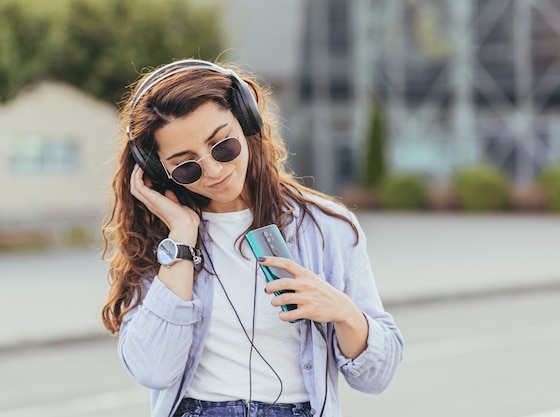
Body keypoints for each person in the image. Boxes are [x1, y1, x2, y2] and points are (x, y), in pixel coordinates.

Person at [101, 58, 403, 417]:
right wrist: (181, 239)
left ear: (247, 122)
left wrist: (344, 313)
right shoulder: (159, 241)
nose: (214, 171)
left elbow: (377, 377)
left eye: (222, 146)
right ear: (158, 171)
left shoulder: (327, 227)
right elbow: (153, 369)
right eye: (186, 166)